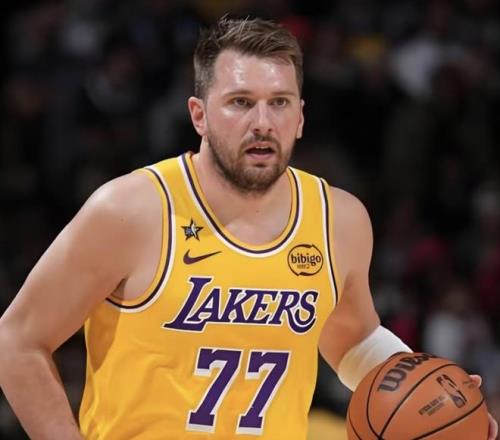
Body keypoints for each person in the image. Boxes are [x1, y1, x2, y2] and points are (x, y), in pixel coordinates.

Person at [0, 17, 497, 440]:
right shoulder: (130, 211)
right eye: (240, 102)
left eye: (279, 102)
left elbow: (354, 342)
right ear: (199, 115)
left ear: (300, 117)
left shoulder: (339, 220)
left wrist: (443, 400)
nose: (263, 122)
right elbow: (16, 341)